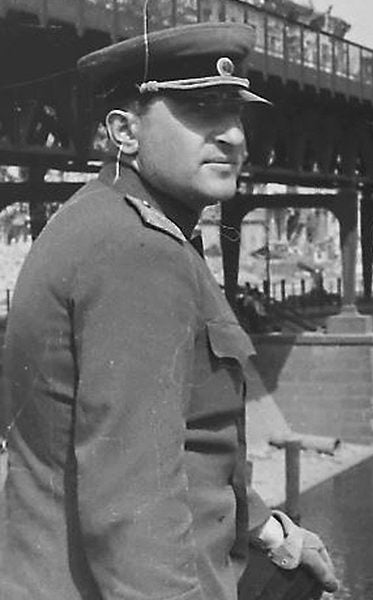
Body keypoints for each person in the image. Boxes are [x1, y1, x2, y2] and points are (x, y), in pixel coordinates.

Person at [0, 23, 339, 599]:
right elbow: (132, 507)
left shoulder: (115, 219)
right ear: (124, 132)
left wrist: (269, 529)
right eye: (202, 110)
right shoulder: (139, 252)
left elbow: (189, 441)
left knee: (296, 578)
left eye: (236, 113)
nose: (233, 135)